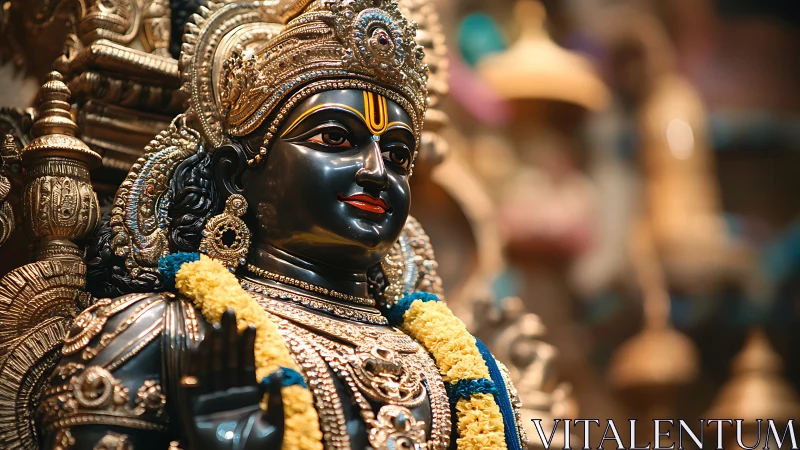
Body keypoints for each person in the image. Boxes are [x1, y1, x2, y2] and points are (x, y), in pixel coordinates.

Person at [36, 1, 526, 449]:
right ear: (239, 173)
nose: (378, 171)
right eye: (335, 138)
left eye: (398, 154)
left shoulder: (465, 374)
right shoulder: (159, 334)